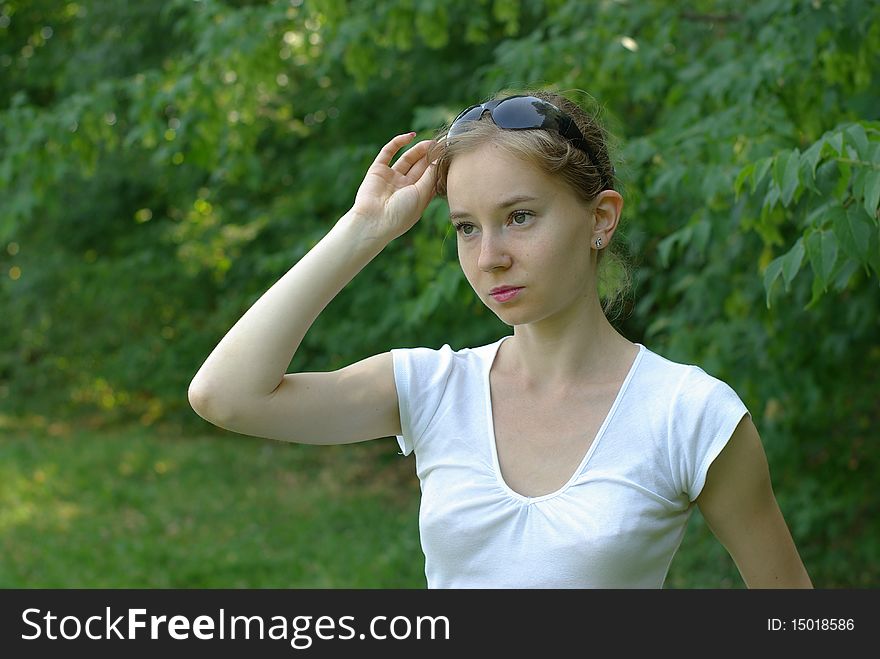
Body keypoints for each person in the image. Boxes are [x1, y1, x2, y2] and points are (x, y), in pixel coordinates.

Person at [188, 89, 813, 589]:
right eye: (465, 228)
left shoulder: (689, 414)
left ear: (600, 219)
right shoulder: (432, 389)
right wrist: (365, 228)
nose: (490, 257)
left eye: (519, 218)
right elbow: (225, 395)